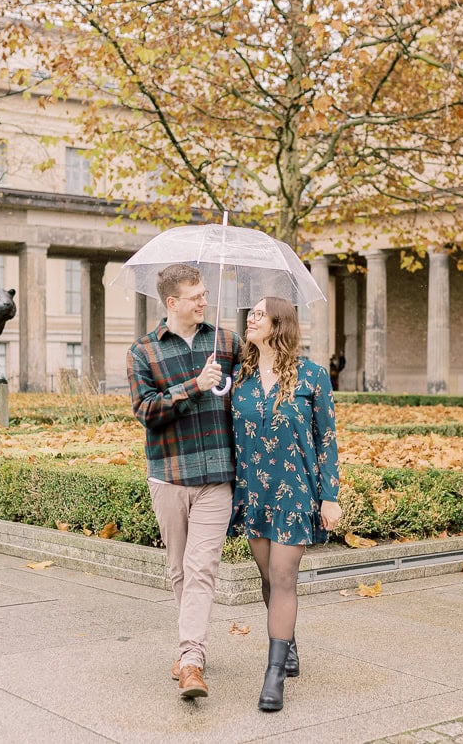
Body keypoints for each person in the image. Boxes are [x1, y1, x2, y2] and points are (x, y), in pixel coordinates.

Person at [126, 263, 241, 700]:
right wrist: (195, 385)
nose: (204, 301)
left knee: (201, 568)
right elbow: (146, 411)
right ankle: (189, 647)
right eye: (195, 295)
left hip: (216, 477)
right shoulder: (144, 351)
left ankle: (192, 660)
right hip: (169, 475)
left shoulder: (227, 343)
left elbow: (251, 393)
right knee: (179, 570)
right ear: (172, 302)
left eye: (205, 293)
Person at [231, 296, 342, 712]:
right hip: (253, 495)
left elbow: (327, 440)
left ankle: (274, 674)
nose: (251, 318)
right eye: (251, 312)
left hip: (295, 493)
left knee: (282, 579)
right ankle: (288, 644)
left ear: (281, 323)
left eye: (260, 313)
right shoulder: (236, 378)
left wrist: (329, 496)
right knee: (267, 577)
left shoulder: (312, 377)